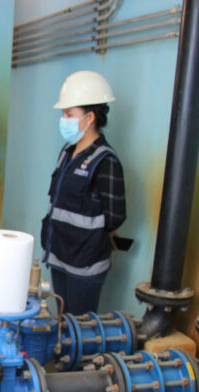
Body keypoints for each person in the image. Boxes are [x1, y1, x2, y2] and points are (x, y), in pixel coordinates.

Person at [41, 70, 127, 315]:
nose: (63, 119)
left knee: (79, 330)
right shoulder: (68, 151)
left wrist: (86, 238)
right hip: (59, 256)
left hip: (85, 265)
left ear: (90, 117)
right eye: (63, 113)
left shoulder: (105, 161)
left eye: (69, 114)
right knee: (63, 322)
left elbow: (116, 216)